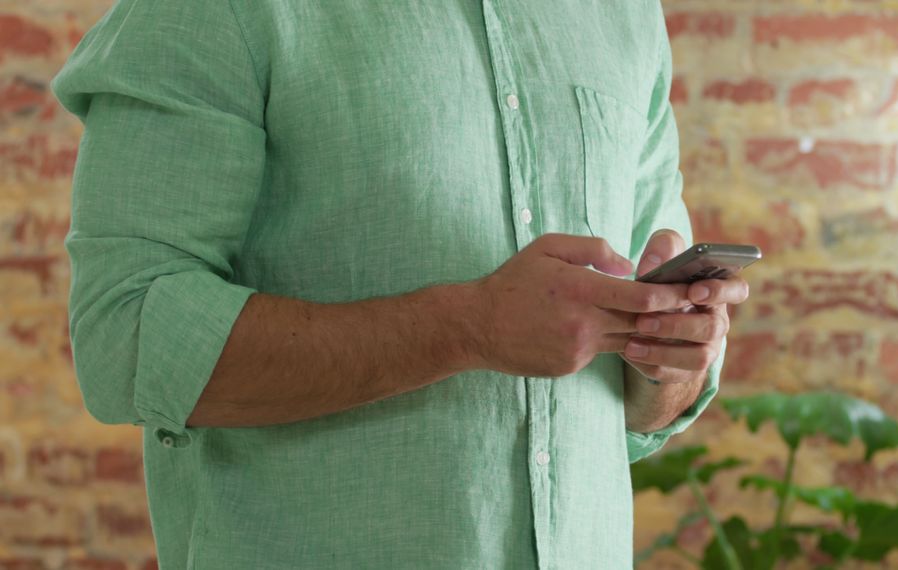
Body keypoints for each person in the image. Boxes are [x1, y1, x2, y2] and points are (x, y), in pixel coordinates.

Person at [50, 1, 750, 568]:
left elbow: (645, 408)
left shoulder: (623, 14)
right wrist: (466, 326)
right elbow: (127, 332)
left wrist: (672, 353)